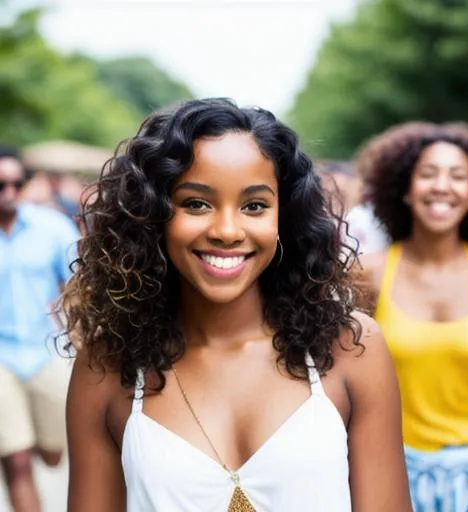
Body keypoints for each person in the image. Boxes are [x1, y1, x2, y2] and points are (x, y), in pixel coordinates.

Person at [63, 98, 412, 511]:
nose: (227, 231)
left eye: (254, 206)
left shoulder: (351, 346)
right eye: (196, 203)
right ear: (151, 215)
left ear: (286, 217)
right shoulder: (107, 366)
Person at [355, 122, 468, 512]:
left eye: (458, 176)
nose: (442, 186)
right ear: (405, 190)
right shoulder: (367, 273)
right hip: (393, 471)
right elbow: (348, 380)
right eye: (428, 174)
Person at [0, 145, 79, 511]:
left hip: (45, 352)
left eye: (19, 182)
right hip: (1, 360)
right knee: (15, 462)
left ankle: (25, 434)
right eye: (1, 185)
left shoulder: (53, 228)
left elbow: (76, 291)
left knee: (52, 453)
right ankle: (13, 437)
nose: (10, 192)